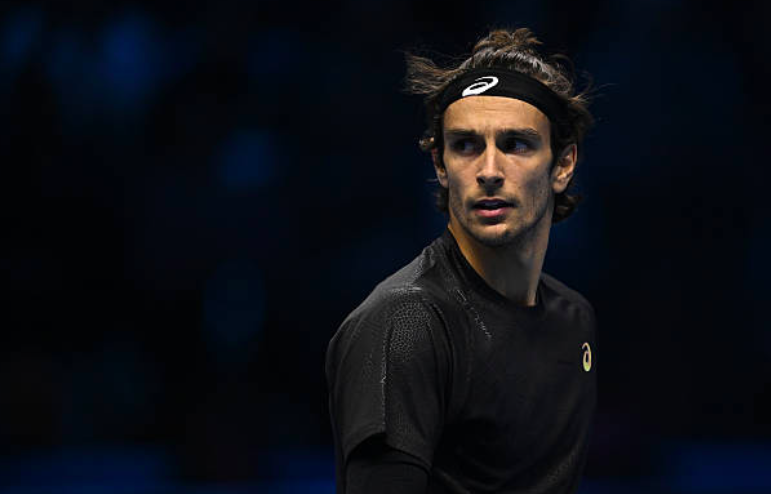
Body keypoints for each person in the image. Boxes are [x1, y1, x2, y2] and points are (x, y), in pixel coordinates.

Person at [325, 27, 598, 494]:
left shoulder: (576, 320)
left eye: (515, 144)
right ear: (440, 166)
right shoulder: (406, 323)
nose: (489, 171)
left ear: (563, 164)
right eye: (466, 145)